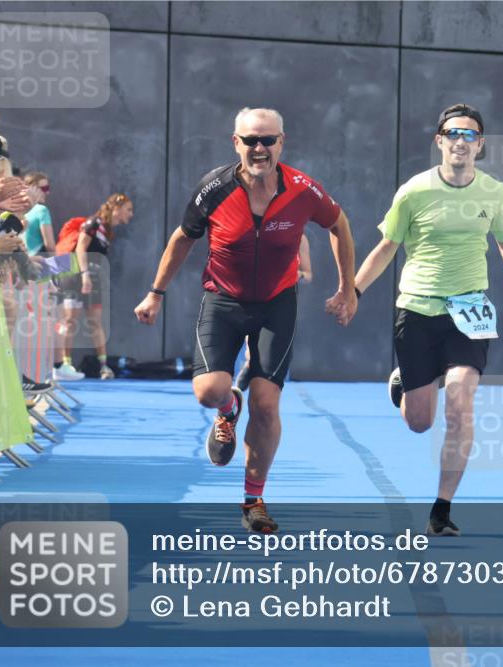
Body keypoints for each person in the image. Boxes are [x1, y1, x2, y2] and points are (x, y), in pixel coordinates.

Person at [133, 107, 357, 534]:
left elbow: (340, 225)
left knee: (267, 405)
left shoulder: (303, 189)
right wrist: (155, 292)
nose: (259, 149)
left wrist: (347, 288)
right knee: (209, 391)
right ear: (235, 143)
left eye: (268, 140)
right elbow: (183, 238)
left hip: (277, 303)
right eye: (250, 140)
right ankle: (227, 406)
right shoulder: (214, 189)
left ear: (281, 143)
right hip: (223, 301)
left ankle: (253, 499)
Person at [352, 103, 503, 536]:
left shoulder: (495, 192)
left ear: (480, 145)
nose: (461, 141)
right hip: (417, 309)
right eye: (453, 133)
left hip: (470, 310)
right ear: (439, 141)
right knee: (419, 422)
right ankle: (404, 384)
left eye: (470, 135)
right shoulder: (413, 192)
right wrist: (353, 290)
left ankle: (441, 510)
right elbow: (387, 247)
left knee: (461, 401)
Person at [53, 193, 134, 381]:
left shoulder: (107, 230)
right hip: (75, 278)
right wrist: (85, 275)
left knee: (96, 322)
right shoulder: (92, 224)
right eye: (128, 209)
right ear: (117, 208)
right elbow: (80, 248)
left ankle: (104, 367)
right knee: (70, 321)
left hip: (94, 281)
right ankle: (64, 364)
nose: (130, 214)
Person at [234, 233, 312, 391]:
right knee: (253, 339)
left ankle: (264, 380)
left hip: (282, 301)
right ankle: (250, 363)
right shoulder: (257, 234)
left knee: (275, 350)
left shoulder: (300, 239)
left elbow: (308, 275)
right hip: (253, 297)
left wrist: (298, 275)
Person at [20, 172, 55, 256]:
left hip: (24, 260)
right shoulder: (42, 210)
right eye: (44, 188)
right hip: (39, 260)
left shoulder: (18, 210)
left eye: (48, 188)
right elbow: (50, 246)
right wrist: (57, 263)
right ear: (32, 188)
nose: (47, 192)